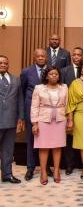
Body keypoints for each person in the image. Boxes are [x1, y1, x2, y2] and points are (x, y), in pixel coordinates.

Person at [31, 66, 68, 185]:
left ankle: (56, 171)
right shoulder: (39, 88)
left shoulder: (64, 87)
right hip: (43, 120)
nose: (54, 76)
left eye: (56, 74)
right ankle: (43, 172)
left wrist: (69, 120)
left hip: (60, 120)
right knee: (44, 147)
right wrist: (34, 123)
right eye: (51, 74)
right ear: (46, 76)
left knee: (57, 146)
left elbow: (67, 105)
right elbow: (34, 106)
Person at [21, 48, 52, 181]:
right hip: (31, 110)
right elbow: (22, 92)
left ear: (47, 58)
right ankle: (30, 167)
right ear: (34, 58)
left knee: (47, 140)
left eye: (43, 56)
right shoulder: (26, 71)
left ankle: (47, 167)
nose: (40, 58)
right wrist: (22, 114)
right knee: (31, 139)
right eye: (38, 56)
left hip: (47, 112)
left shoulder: (52, 71)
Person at [0, 55, 24, 184]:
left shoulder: (15, 79)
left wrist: (21, 117)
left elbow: (20, 99)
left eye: (5, 63)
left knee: (8, 149)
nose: (3, 65)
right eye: (1, 63)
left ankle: (7, 174)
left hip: (11, 120)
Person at [61, 47, 83, 175]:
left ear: (82, 56)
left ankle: (82, 163)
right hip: (69, 109)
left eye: (79, 55)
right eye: (74, 55)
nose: (76, 57)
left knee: (82, 136)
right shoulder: (64, 71)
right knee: (69, 138)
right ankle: (69, 165)